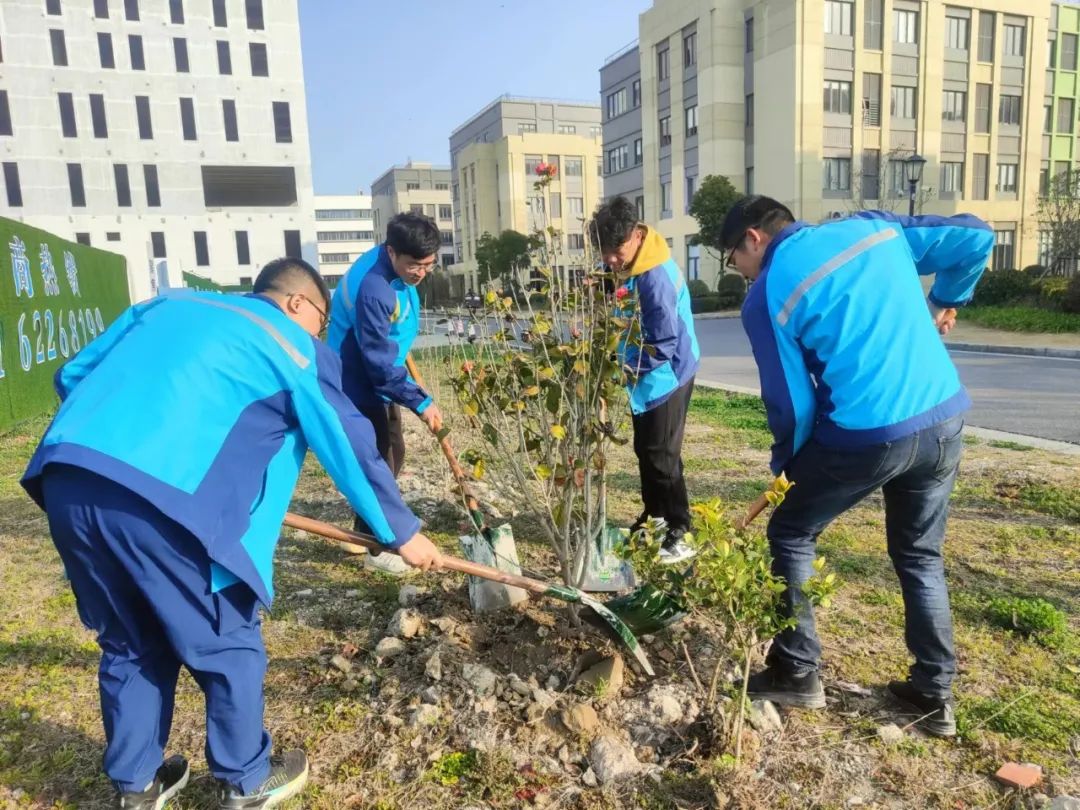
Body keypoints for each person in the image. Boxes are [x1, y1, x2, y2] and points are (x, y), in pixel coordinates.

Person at [21, 258, 443, 809]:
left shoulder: (165, 305)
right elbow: (346, 437)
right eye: (320, 323)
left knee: (129, 637)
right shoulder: (291, 343)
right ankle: (246, 779)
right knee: (225, 641)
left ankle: (137, 783)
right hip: (166, 504)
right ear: (297, 303)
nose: (320, 336)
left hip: (68, 478)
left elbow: (74, 376)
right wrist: (401, 531)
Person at [720, 195, 994, 737]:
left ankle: (796, 670)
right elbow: (977, 237)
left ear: (753, 238)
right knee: (920, 553)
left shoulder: (766, 294)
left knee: (791, 531)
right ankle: (934, 694)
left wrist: (787, 470)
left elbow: (791, 403)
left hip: (868, 435)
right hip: (943, 418)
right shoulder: (875, 228)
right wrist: (945, 299)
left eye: (734, 261)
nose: (740, 273)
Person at [327, 213, 444, 575]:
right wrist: (421, 401)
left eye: (428, 264)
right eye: (414, 266)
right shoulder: (373, 288)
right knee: (379, 460)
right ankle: (377, 547)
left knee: (393, 453)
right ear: (392, 252)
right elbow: (377, 365)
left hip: (382, 375)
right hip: (357, 381)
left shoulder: (396, 267)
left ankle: (368, 528)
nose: (421, 273)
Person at [589, 196, 701, 564]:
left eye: (616, 250)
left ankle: (680, 529)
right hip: (643, 375)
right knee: (647, 450)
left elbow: (664, 343)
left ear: (636, 235)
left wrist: (620, 370)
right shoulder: (630, 264)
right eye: (604, 251)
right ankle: (654, 518)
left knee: (661, 455)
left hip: (667, 375)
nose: (610, 259)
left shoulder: (654, 277)